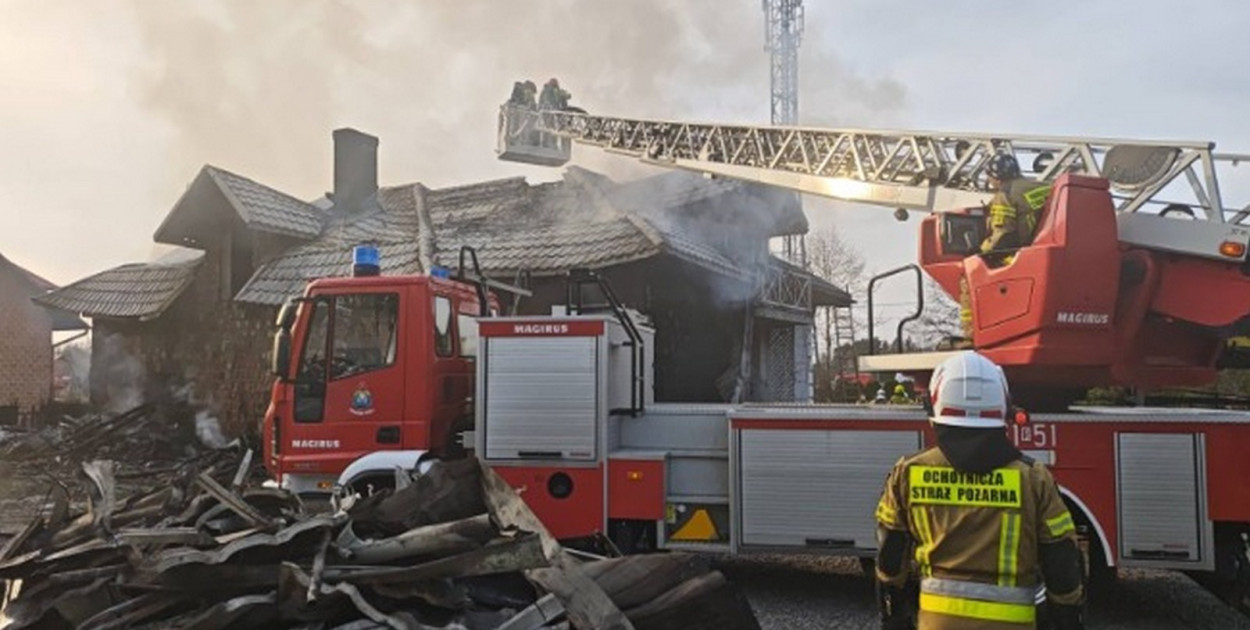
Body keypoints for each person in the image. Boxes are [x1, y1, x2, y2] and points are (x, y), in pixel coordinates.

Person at [874, 351, 1085, 630]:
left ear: (934, 407)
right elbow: (1062, 563)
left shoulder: (908, 473)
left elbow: (890, 560)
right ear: (1003, 409)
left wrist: (895, 619)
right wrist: (1067, 621)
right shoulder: (1033, 478)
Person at [954, 154, 1053, 344]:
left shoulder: (1004, 195)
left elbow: (1004, 234)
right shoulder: (1043, 187)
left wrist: (979, 251)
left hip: (1017, 254)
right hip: (1039, 250)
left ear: (997, 177)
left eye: (990, 177)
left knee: (968, 276)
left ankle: (972, 336)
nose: (989, 181)